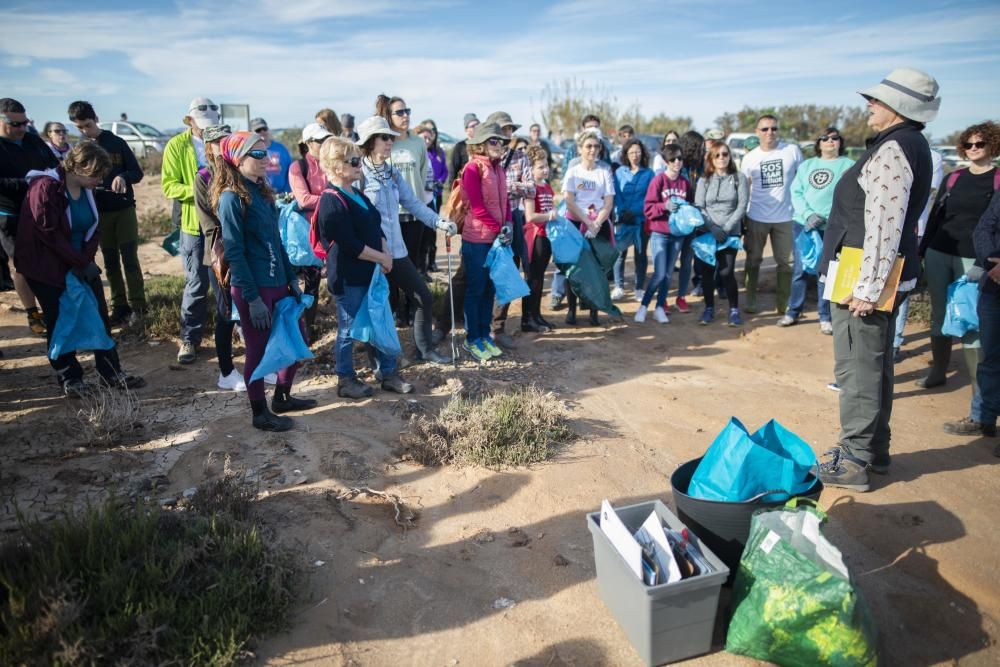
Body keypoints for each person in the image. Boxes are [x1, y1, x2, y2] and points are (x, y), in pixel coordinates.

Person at [817, 68, 938, 491]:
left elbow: (884, 224)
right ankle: (876, 452)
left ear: (898, 107)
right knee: (874, 365)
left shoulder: (894, 149)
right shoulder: (906, 144)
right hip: (873, 274)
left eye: (877, 100)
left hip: (863, 279)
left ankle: (854, 461)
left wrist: (867, 289)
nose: (869, 104)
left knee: (858, 368)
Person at [15, 142, 144, 397]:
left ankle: (111, 372)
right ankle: (70, 377)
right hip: (47, 267)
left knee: (99, 315)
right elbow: (48, 234)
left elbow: (94, 228)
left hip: (79, 263)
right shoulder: (45, 187)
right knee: (60, 319)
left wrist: (85, 261)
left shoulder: (87, 190)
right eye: (96, 174)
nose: (99, 180)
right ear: (79, 168)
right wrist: (79, 262)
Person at [213, 131, 317, 432]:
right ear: (237, 159)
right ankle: (259, 413)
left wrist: (291, 280)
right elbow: (234, 251)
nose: (267, 159)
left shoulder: (262, 192)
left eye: (266, 153)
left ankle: (282, 397)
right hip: (253, 288)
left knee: (298, 342)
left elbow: (277, 241)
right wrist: (253, 298)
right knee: (257, 352)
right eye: (257, 154)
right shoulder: (232, 198)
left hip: (277, 283)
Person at [919, 121, 1000, 436]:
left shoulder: (996, 180)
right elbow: (937, 215)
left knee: (971, 323)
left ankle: (980, 402)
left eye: (980, 144)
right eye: (969, 144)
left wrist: (986, 259)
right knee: (939, 316)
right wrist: (922, 250)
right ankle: (938, 372)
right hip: (940, 250)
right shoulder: (953, 177)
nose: (974, 149)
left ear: (992, 146)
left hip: (976, 259)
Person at [316, 136, 411, 397]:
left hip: (370, 271)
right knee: (347, 330)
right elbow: (351, 245)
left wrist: (386, 250)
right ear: (337, 167)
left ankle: (388, 373)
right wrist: (381, 258)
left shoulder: (355, 193)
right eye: (354, 161)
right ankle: (345, 380)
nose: (360, 165)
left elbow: (373, 222)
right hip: (349, 277)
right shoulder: (331, 201)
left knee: (380, 320)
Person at [357, 115, 455, 364]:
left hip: (397, 251)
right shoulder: (359, 175)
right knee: (380, 308)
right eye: (384, 137)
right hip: (372, 256)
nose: (390, 141)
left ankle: (424, 350)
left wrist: (439, 222)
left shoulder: (391, 172)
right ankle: (381, 363)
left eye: (390, 137)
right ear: (369, 142)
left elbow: (413, 202)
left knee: (423, 297)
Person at [68, 100, 146, 326]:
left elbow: (137, 172)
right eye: (79, 127)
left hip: (123, 210)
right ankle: (119, 305)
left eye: (88, 125)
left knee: (130, 258)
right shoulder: (80, 149)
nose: (85, 131)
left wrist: (124, 177)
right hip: (99, 214)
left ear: (96, 119)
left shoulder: (116, 142)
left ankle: (139, 305)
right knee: (110, 261)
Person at [162, 96, 220, 364]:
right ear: (190, 121)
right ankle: (190, 338)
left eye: (212, 123)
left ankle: (235, 330)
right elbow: (169, 186)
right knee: (197, 281)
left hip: (220, 224)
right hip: (192, 225)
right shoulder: (176, 146)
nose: (207, 129)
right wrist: (200, 192)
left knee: (226, 279)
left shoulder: (221, 141)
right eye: (202, 124)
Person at [782, 127, 854, 330]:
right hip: (803, 225)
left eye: (834, 138)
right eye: (825, 138)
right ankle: (793, 311)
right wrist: (808, 215)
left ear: (840, 142)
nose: (830, 141)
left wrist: (830, 218)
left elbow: (851, 195)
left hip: (833, 228)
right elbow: (796, 192)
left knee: (827, 273)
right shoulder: (807, 165)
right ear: (818, 143)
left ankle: (825, 317)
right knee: (800, 270)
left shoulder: (849, 165)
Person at [193, 124, 246, 392]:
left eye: (228, 140)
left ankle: (261, 364)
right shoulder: (204, 177)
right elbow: (210, 224)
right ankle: (226, 371)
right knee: (226, 313)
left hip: (246, 249)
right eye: (218, 142)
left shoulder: (239, 170)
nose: (224, 145)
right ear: (209, 146)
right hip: (221, 255)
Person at [0, 97, 58, 336]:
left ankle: (53, 309)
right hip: (9, 214)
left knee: (48, 259)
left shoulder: (33, 141)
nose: (21, 129)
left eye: (25, 123)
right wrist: (24, 183)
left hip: (40, 211)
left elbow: (54, 164)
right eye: (15, 124)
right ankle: (32, 313)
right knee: (22, 264)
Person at [740, 115, 803, 314]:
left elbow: (802, 180)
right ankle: (750, 300)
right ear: (757, 132)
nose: (770, 133)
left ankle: (782, 304)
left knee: (784, 261)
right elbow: (744, 188)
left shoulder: (792, 151)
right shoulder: (750, 158)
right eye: (765, 129)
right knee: (753, 259)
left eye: (774, 128)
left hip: (786, 217)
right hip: (757, 216)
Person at [458, 122, 510, 360]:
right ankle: (472, 338)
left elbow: (506, 203)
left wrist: (507, 225)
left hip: (496, 239)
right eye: (494, 140)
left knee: (490, 289)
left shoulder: (499, 169)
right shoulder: (472, 168)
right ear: (480, 144)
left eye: (502, 141)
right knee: (476, 289)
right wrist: (498, 228)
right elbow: (477, 208)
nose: (500, 145)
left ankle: (485, 335)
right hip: (477, 240)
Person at [486, 111, 535, 347]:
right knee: (482, 271)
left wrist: (504, 186)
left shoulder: (520, 157)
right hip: (487, 219)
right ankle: (469, 325)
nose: (506, 134)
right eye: (502, 129)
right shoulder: (483, 156)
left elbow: (531, 189)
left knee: (509, 270)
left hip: (513, 217)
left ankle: (498, 327)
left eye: (509, 130)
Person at [893, 148, 944, 357]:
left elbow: (926, 191)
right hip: (883, 230)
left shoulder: (932, 156)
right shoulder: (886, 148)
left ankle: (894, 341)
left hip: (913, 231)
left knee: (901, 285)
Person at [563, 128, 615, 326]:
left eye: (596, 146)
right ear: (580, 149)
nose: (592, 150)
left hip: (598, 225)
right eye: (588, 146)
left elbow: (608, 202)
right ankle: (571, 310)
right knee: (573, 268)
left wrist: (597, 223)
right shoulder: (573, 172)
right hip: (576, 223)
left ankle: (593, 312)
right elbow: (569, 201)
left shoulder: (604, 172)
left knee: (596, 270)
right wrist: (587, 221)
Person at [694, 141, 748, 326]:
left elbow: (741, 206)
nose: (722, 158)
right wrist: (712, 228)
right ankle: (709, 308)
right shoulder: (704, 180)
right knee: (707, 273)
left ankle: (734, 309)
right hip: (707, 233)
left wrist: (725, 229)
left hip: (729, 233)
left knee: (726, 272)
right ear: (711, 158)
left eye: (725, 154)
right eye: (717, 155)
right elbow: (699, 207)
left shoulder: (739, 178)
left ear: (730, 156)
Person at [288, 122, 335, 333]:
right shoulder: (298, 167)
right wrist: (334, 198)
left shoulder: (332, 164)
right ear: (307, 143)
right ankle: (304, 328)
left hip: (332, 231)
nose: (324, 143)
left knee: (320, 283)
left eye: (326, 139)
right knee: (308, 283)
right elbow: (304, 199)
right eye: (319, 140)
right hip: (307, 234)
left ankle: (310, 327)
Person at [637, 143, 692, 324]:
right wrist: (664, 206)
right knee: (659, 273)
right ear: (666, 161)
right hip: (659, 233)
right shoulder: (658, 180)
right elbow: (648, 209)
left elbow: (690, 206)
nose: (677, 162)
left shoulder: (685, 182)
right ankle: (644, 306)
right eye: (673, 159)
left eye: (680, 158)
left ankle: (660, 307)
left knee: (668, 274)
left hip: (678, 234)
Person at [972, 184, 1000, 456]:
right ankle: (983, 418)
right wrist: (992, 263)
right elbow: (984, 227)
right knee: (990, 356)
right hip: (993, 284)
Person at [612, 137, 654, 302]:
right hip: (622, 219)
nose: (635, 155)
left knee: (640, 254)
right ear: (626, 154)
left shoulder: (649, 174)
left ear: (642, 153)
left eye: (638, 152)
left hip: (640, 220)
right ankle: (618, 286)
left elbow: (650, 197)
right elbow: (615, 193)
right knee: (619, 254)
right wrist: (623, 212)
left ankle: (639, 288)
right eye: (631, 152)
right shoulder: (619, 172)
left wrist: (635, 211)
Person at [522, 145, 556, 332]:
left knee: (540, 278)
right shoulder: (531, 188)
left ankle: (536, 315)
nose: (545, 169)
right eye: (540, 167)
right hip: (535, 237)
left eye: (546, 165)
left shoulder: (547, 187)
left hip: (547, 236)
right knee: (532, 278)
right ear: (531, 170)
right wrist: (550, 216)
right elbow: (530, 216)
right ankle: (527, 319)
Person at [674, 130, 706, 311]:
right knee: (671, 261)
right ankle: (663, 298)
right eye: (700, 147)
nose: (703, 151)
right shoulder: (678, 165)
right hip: (678, 221)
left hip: (696, 220)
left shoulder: (701, 167)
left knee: (688, 260)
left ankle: (681, 296)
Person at [416, 119, 448, 273]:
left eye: (432, 133)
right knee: (420, 235)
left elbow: (445, 171)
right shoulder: (418, 153)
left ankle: (430, 263)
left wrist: (439, 182)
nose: (428, 139)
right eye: (425, 136)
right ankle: (420, 268)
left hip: (435, 195)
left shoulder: (439, 152)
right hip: (419, 200)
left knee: (432, 230)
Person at [250, 118, 292, 194]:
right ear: (252, 133)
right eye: (258, 130)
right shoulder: (251, 151)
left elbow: (290, 171)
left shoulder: (281, 149)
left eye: (264, 129)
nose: (262, 132)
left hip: (282, 196)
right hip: (260, 196)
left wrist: (287, 191)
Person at [450, 113, 479, 182]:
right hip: (465, 184)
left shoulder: (484, 145)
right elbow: (453, 170)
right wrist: (452, 190)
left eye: (478, 124)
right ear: (466, 130)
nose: (476, 127)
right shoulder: (460, 146)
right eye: (473, 126)